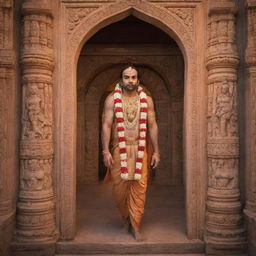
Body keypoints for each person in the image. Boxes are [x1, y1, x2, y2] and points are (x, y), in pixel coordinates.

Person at [101, 65, 160, 241]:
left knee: (139, 188)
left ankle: (135, 224)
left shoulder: (147, 100)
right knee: (119, 189)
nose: (130, 81)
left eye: (133, 77)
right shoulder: (112, 99)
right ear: (121, 79)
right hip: (120, 148)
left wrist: (157, 151)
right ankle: (125, 218)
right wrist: (105, 150)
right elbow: (106, 124)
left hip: (141, 148)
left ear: (138, 80)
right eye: (127, 77)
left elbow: (152, 125)